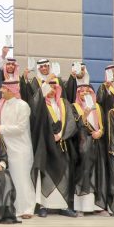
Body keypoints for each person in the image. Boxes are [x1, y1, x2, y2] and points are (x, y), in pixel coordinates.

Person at [35, 80, 78, 217]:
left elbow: (71, 122)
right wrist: (49, 136)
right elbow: (37, 121)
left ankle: (63, 206)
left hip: (62, 143)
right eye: (49, 87)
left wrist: (61, 135)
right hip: (46, 144)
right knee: (46, 174)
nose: (52, 90)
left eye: (54, 88)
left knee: (65, 173)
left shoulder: (64, 103)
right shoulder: (40, 104)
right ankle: (43, 206)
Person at [0, 79, 35, 219]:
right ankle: (12, 208)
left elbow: (20, 128)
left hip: (20, 148)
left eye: (4, 88)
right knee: (11, 179)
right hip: (5, 148)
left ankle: (27, 209)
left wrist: (0, 128)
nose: (1, 90)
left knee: (22, 179)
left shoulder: (22, 105)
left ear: (11, 90)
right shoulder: (2, 104)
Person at [71, 84, 109, 216]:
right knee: (83, 173)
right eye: (82, 92)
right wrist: (85, 115)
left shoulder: (97, 107)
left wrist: (100, 132)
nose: (85, 94)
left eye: (87, 92)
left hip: (97, 144)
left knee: (98, 173)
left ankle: (98, 206)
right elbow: (74, 126)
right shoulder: (74, 107)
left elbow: (103, 125)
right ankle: (80, 207)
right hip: (82, 144)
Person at [0, 49, 20, 114]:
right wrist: (3, 56)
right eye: (8, 64)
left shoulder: (19, 79)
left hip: (15, 109)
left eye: (13, 64)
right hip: (2, 109)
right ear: (5, 65)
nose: (11, 66)